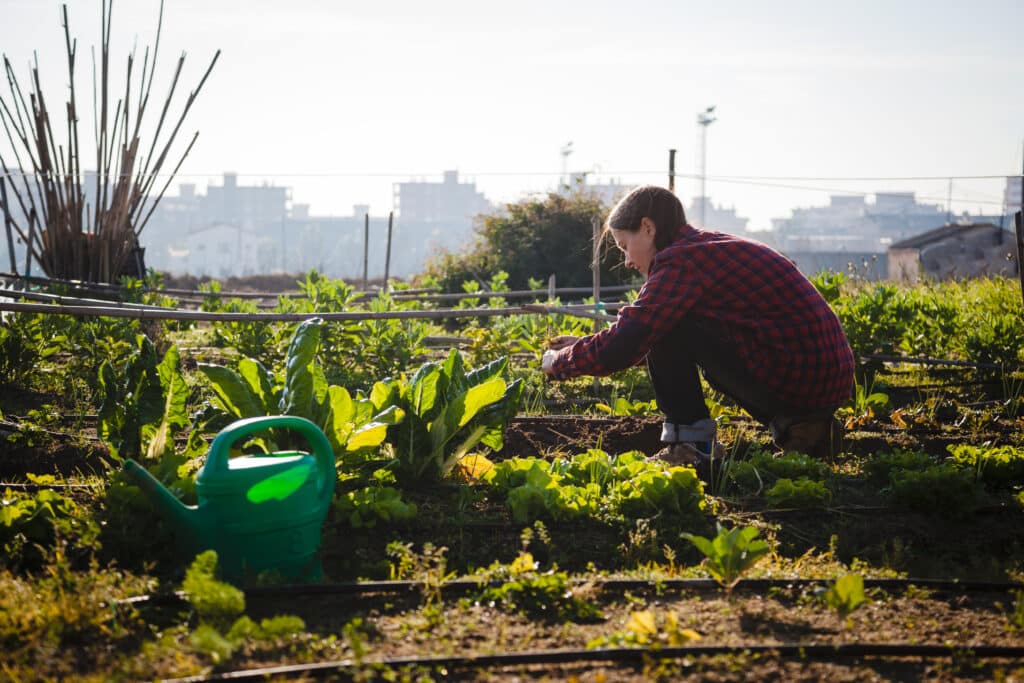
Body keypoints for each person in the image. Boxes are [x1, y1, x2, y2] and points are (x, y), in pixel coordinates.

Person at [541, 185, 855, 472]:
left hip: (802, 377)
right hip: (821, 378)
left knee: (663, 327)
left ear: (648, 228)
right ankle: (809, 428)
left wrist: (560, 362)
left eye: (625, 246)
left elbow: (629, 341)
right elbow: (645, 342)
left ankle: (691, 447)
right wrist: (582, 346)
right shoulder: (703, 249)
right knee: (663, 326)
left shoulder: (681, 261)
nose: (626, 261)